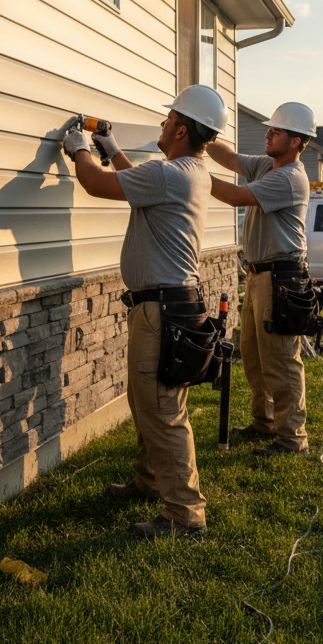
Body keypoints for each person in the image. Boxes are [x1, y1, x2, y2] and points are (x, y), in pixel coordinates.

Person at [63, 85, 229, 538]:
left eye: (165, 120)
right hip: (171, 305)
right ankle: (150, 483)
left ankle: (185, 517)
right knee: (147, 401)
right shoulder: (188, 173)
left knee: (161, 409)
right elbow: (140, 185)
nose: (160, 125)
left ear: (178, 129)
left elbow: (95, 184)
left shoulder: (168, 175)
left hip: (161, 310)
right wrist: (112, 149)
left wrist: (80, 149)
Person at [205, 102, 316, 457]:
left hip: (280, 279)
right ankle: (265, 422)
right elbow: (231, 157)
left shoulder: (289, 178)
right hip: (258, 276)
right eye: (269, 129)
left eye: (276, 131)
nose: (268, 134)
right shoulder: (269, 166)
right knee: (253, 356)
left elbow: (237, 197)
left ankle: (291, 438)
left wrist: (190, 172)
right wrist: (201, 135)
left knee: (281, 360)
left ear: (296, 141)